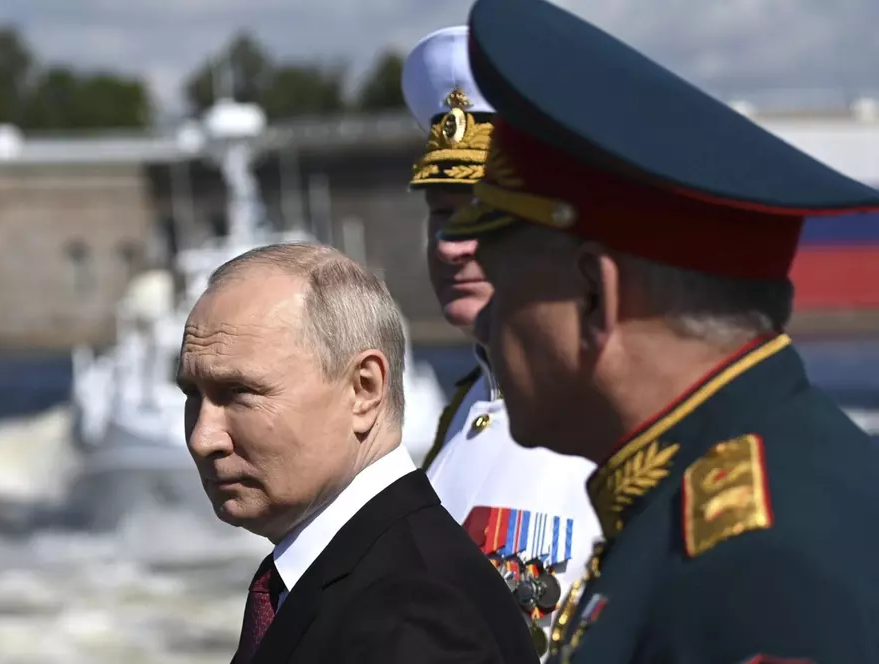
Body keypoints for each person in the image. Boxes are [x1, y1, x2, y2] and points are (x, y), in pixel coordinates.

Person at [439, 0, 879, 662]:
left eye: (504, 287)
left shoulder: (750, 569)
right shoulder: (719, 495)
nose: (490, 319)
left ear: (595, 296)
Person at [177, 242, 538, 664]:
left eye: (239, 393)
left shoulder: (415, 619)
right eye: (192, 394)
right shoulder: (337, 579)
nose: (203, 438)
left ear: (363, 389)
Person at [400, 25, 602, 658]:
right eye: (441, 213)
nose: (451, 244)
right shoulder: (463, 412)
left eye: (484, 213)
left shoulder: (610, 422)